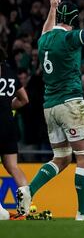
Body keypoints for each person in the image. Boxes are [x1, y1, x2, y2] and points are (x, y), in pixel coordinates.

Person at [19, 0, 84, 220]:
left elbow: (47, 28)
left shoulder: (44, 39)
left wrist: (52, 8)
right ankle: (83, 212)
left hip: (50, 107)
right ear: (75, 21)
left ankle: (28, 190)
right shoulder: (69, 38)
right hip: (70, 103)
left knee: (62, 157)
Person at [1, 48, 29, 217]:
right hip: (9, 124)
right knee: (13, 166)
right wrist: (5, 106)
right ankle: (26, 207)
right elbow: (24, 99)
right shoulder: (10, 73)